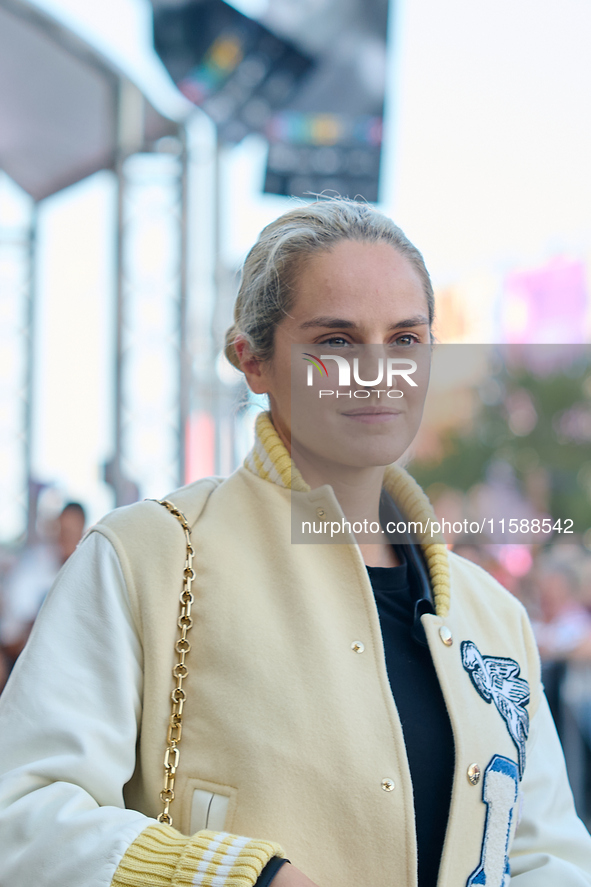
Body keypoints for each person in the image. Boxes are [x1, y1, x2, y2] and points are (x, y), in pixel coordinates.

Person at [0, 199, 590, 887]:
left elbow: (549, 854)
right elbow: (23, 813)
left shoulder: (492, 615)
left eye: (405, 338)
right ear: (254, 361)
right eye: (335, 340)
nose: (376, 368)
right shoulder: (148, 557)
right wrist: (244, 877)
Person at [0, 501, 86, 672]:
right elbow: (13, 634)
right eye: (63, 532)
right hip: (27, 660)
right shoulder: (34, 566)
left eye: (71, 533)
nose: (66, 539)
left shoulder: (90, 573)